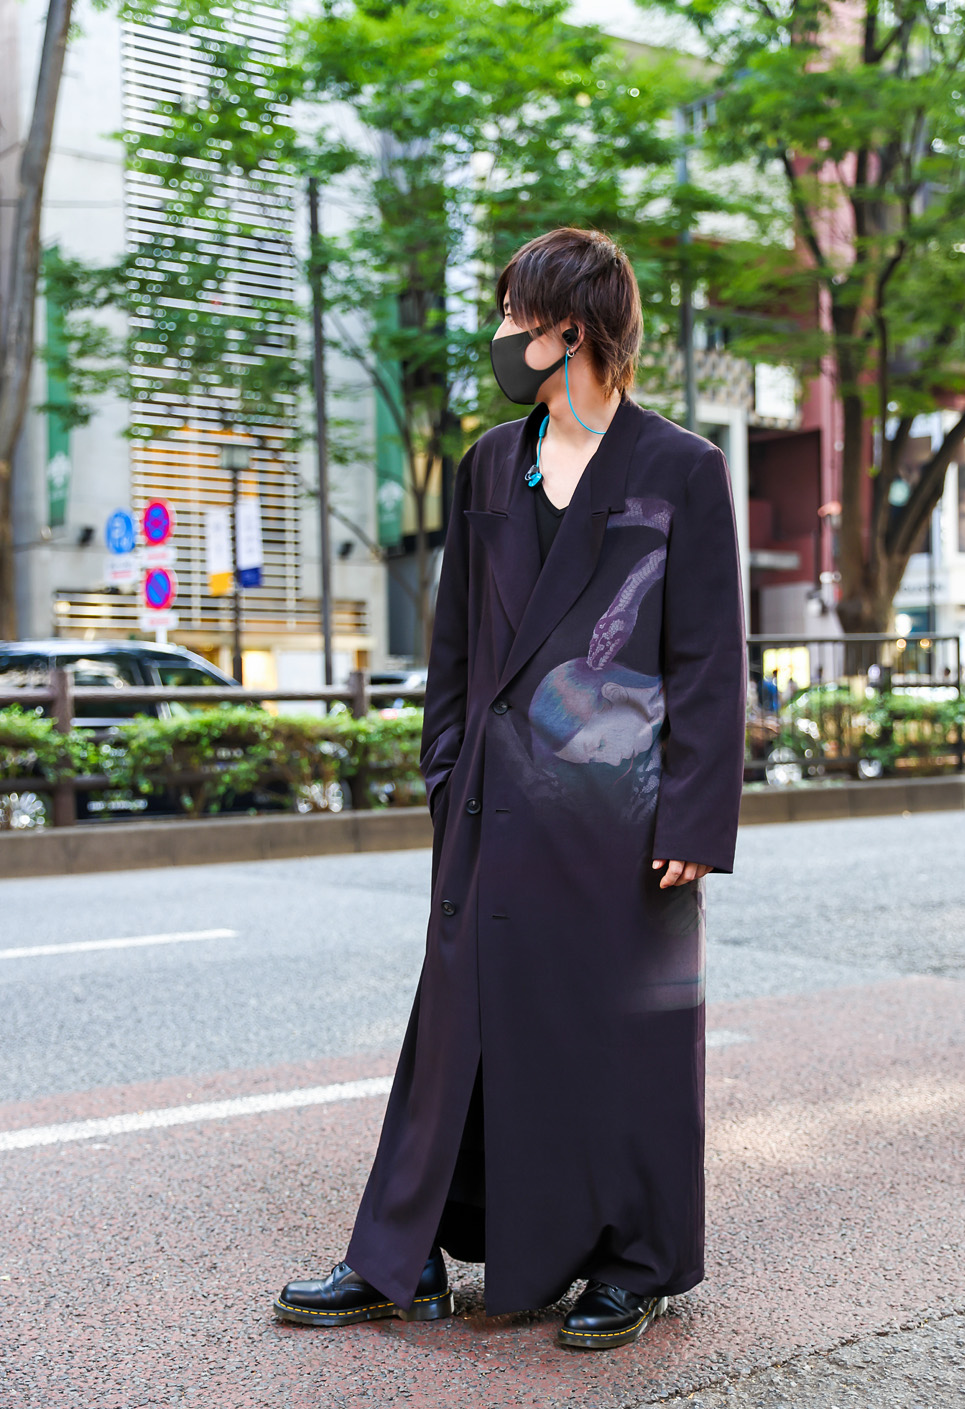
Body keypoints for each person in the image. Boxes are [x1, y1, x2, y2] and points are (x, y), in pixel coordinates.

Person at [274, 226, 747, 1350]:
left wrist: (692, 815)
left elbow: (707, 662)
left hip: (623, 820)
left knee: (619, 1038)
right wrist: (447, 773)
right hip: (492, 807)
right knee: (456, 1030)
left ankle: (631, 1264)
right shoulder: (495, 459)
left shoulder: (681, 466)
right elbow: (452, 649)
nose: (496, 337)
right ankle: (402, 1257)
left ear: (565, 330)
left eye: (508, 317)